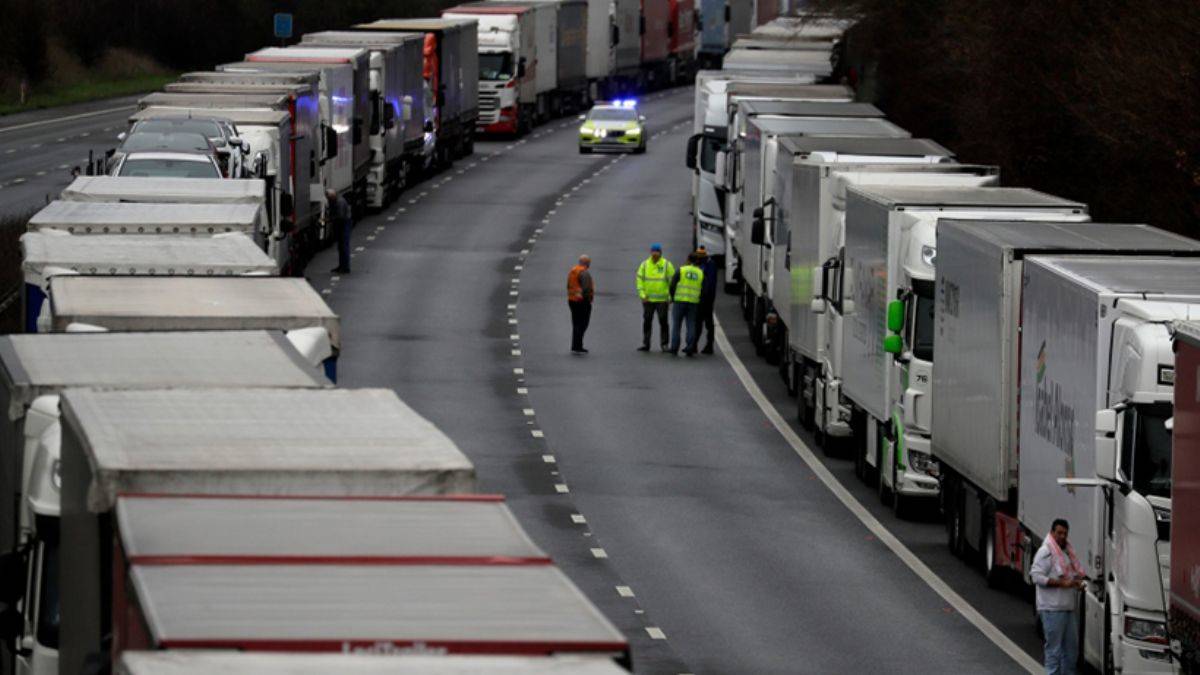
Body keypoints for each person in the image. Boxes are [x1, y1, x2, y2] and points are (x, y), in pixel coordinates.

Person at [1031, 518, 1086, 675]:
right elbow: (1036, 577)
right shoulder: (1046, 552)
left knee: (1071, 652)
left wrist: (1076, 583)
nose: (1062, 536)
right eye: (1059, 533)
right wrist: (1062, 584)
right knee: (1054, 652)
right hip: (1052, 609)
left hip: (1067, 608)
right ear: (1052, 532)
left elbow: (1070, 576)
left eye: (1065, 533)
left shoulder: (1067, 552)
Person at [635, 243, 674, 352]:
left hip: (662, 300)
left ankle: (664, 344)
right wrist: (642, 295)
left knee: (663, 321)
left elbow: (672, 282)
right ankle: (646, 343)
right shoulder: (644, 265)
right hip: (648, 300)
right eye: (653, 251)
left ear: (660, 253)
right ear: (651, 252)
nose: (655, 254)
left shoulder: (667, 265)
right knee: (647, 321)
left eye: (657, 252)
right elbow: (639, 281)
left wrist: (670, 297)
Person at [668, 252, 705, 356]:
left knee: (676, 325)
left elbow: (672, 284)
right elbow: (704, 289)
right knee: (691, 324)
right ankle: (690, 347)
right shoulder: (700, 273)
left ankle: (674, 347)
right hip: (693, 302)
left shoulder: (681, 270)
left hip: (679, 301)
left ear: (688, 259)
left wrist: (673, 297)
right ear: (697, 261)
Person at [567, 255, 594, 354]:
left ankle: (576, 345)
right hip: (582, 301)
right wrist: (587, 300)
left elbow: (569, 285)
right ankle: (578, 345)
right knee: (583, 323)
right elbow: (586, 288)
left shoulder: (573, 271)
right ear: (587, 263)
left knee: (575, 323)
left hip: (572, 300)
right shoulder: (584, 273)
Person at [694, 246, 718, 354]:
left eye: (700, 255)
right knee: (698, 322)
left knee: (706, 323)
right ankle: (694, 344)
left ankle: (708, 345)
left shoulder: (709, 265)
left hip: (706, 298)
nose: (699, 257)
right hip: (699, 297)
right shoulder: (699, 264)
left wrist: (707, 297)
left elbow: (710, 283)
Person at [327, 189, 353, 274]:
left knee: (344, 245)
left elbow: (340, 217)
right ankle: (342, 265)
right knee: (340, 246)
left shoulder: (340, 202)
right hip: (341, 223)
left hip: (344, 223)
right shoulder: (333, 201)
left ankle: (345, 267)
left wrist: (330, 219)